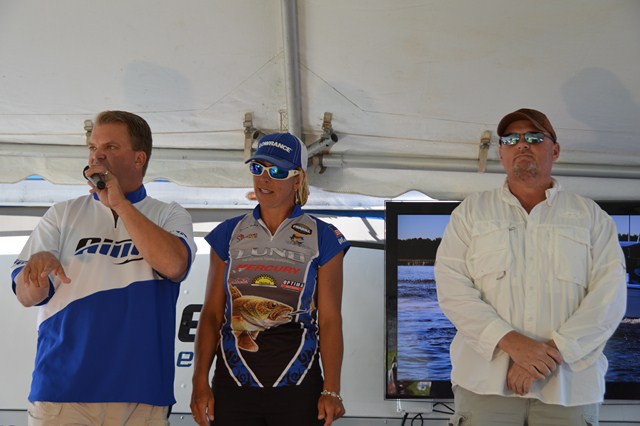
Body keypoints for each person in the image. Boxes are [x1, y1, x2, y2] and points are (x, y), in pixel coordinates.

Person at [434, 108, 627, 425]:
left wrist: (550, 353)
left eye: (534, 137)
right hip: (483, 384)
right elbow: (452, 288)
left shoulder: (592, 217)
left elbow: (610, 297)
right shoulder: (470, 213)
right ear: (501, 152)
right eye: (511, 139)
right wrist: (513, 343)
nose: (522, 144)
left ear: (556, 150)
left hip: (569, 388)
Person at [11, 110, 197, 425]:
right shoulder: (61, 214)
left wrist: (120, 204)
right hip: (63, 393)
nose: (97, 155)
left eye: (110, 147)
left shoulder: (169, 214)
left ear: (139, 158)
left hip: (142, 396)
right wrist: (37, 272)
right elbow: (26, 296)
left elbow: (175, 266)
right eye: (93, 147)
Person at [190, 133, 349, 426]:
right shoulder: (227, 233)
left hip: (298, 384)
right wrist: (199, 383)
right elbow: (211, 314)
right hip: (233, 382)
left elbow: (329, 320)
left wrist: (332, 390)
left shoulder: (325, 236)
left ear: (297, 180)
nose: (264, 178)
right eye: (257, 168)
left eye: (276, 171)